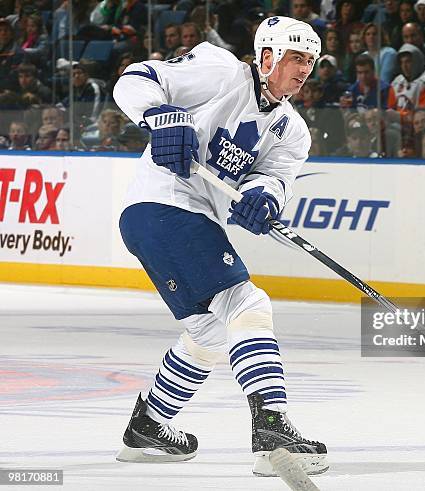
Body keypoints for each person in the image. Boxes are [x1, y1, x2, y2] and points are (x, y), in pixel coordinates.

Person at [112, 16, 328, 476]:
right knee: (247, 303)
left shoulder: (292, 130)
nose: (304, 68)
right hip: (161, 203)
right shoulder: (220, 69)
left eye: (310, 60)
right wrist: (161, 115)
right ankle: (271, 426)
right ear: (266, 56)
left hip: (182, 220)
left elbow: (275, 179)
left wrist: (263, 199)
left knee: (209, 332)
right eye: (295, 57)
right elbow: (135, 79)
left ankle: (148, 426)